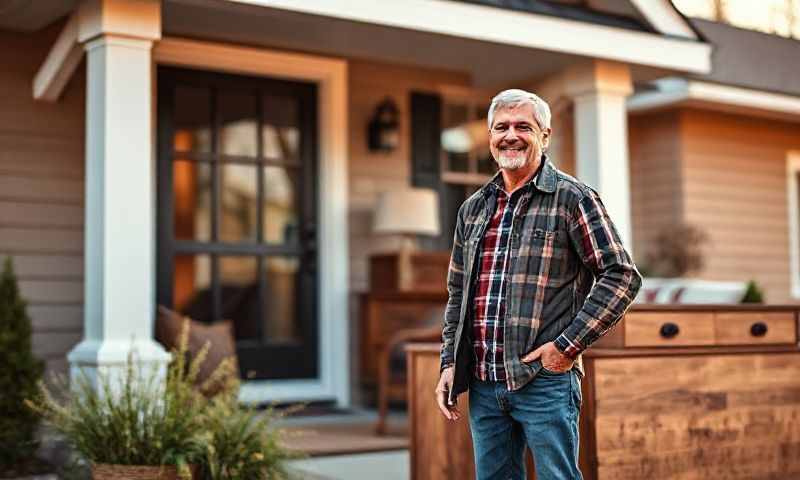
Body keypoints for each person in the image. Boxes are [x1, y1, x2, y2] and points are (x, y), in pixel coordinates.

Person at [435, 89, 642, 480]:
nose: (510, 135)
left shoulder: (573, 198)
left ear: (544, 135)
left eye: (523, 127)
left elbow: (622, 275)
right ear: (490, 136)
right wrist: (449, 362)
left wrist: (566, 347)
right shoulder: (474, 209)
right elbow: (458, 293)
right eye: (502, 127)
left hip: (544, 382)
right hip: (483, 383)